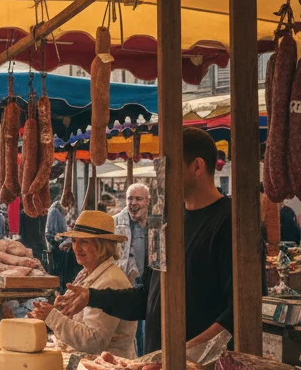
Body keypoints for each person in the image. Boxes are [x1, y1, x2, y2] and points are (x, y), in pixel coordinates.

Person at [56, 127, 233, 354]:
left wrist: (184, 353)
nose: (160, 178)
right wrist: (93, 296)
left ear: (197, 166)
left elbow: (237, 312)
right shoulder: (163, 223)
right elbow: (147, 297)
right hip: (159, 363)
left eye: (166, 168)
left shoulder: (229, 222)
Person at [31, 210, 137, 358]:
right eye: (74, 241)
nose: (76, 247)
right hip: (86, 364)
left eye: (84, 242)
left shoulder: (111, 281)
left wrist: (53, 317)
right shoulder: (87, 273)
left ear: (102, 245)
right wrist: (60, 310)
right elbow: (79, 322)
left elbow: (94, 341)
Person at [114, 183, 150, 353]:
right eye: (130, 198)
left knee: (146, 327)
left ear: (147, 201)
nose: (133, 203)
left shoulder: (155, 224)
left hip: (148, 284)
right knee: (127, 329)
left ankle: (144, 356)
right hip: (125, 284)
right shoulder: (115, 222)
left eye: (138, 199)